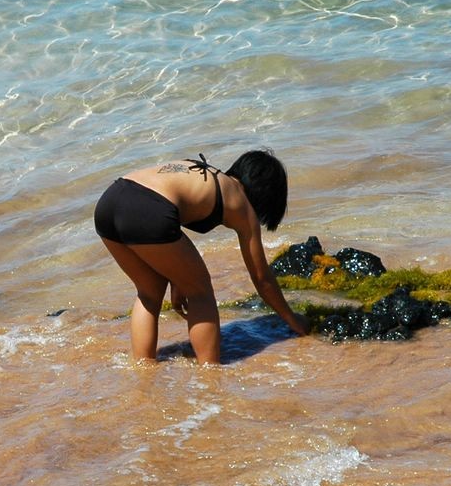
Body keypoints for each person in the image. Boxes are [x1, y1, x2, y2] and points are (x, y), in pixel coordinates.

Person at [94, 149, 310, 364]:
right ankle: (209, 373)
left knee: (149, 292)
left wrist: (179, 282)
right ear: (265, 193)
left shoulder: (205, 175)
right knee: (200, 292)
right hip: (148, 208)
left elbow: (169, 218)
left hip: (110, 202)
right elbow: (262, 278)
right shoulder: (240, 201)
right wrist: (291, 319)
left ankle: (144, 367)